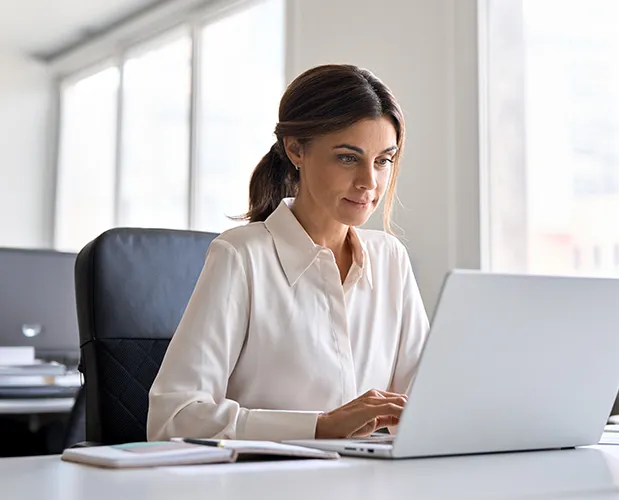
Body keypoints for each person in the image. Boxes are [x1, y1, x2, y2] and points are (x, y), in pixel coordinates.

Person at [147, 64, 430, 442]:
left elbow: (425, 404)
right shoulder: (241, 255)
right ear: (296, 149)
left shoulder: (390, 258)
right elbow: (173, 420)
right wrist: (319, 427)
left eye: (383, 160)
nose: (369, 182)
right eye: (348, 157)